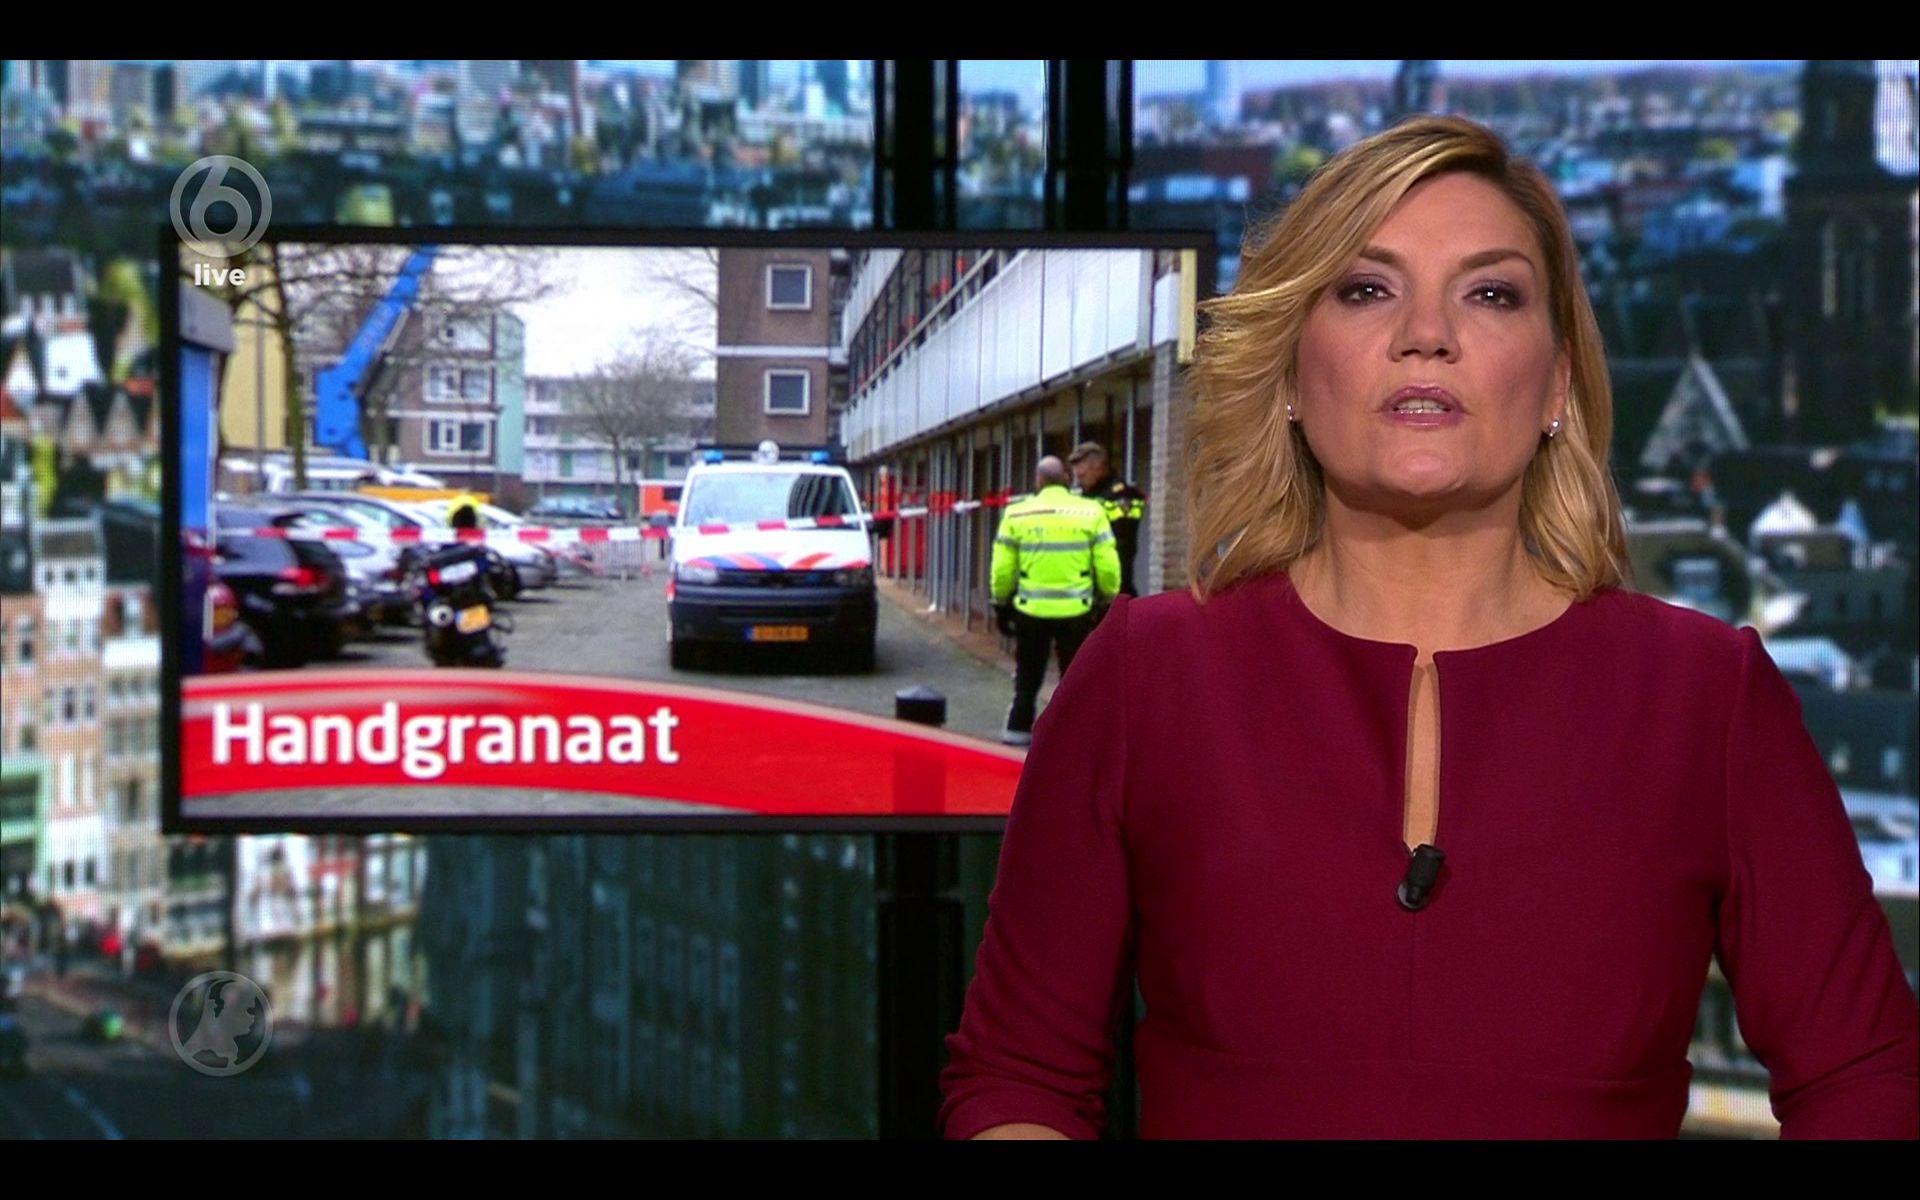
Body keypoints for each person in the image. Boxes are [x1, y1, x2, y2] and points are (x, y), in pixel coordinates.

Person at [939, 115, 1920, 1140]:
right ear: (1289, 374)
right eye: (1367, 289)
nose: (1427, 334)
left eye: (1490, 294)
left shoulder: (1706, 696)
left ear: (1557, 385)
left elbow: (1867, 1075)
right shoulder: (1143, 677)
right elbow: (1018, 1078)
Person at [991, 457, 1122, 746]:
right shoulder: (1091, 512)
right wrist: (1107, 598)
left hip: (1030, 611)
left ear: (1038, 480)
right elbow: (1108, 567)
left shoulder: (1016, 514)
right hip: (1077, 611)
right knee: (1074, 677)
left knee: (1027, 675)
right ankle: (1073, 738)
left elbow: (1002, 569)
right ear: (1066, 479)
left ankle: (1018, 729)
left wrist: (1000, 603)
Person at [1067, 442, 1147, 598]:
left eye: (1082, 475)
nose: (1079, 480)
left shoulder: (1121, 495)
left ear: (1099, 467)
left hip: (1115, 582)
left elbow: (1121, 544)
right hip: (1088, 582)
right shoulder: (1086, 495)